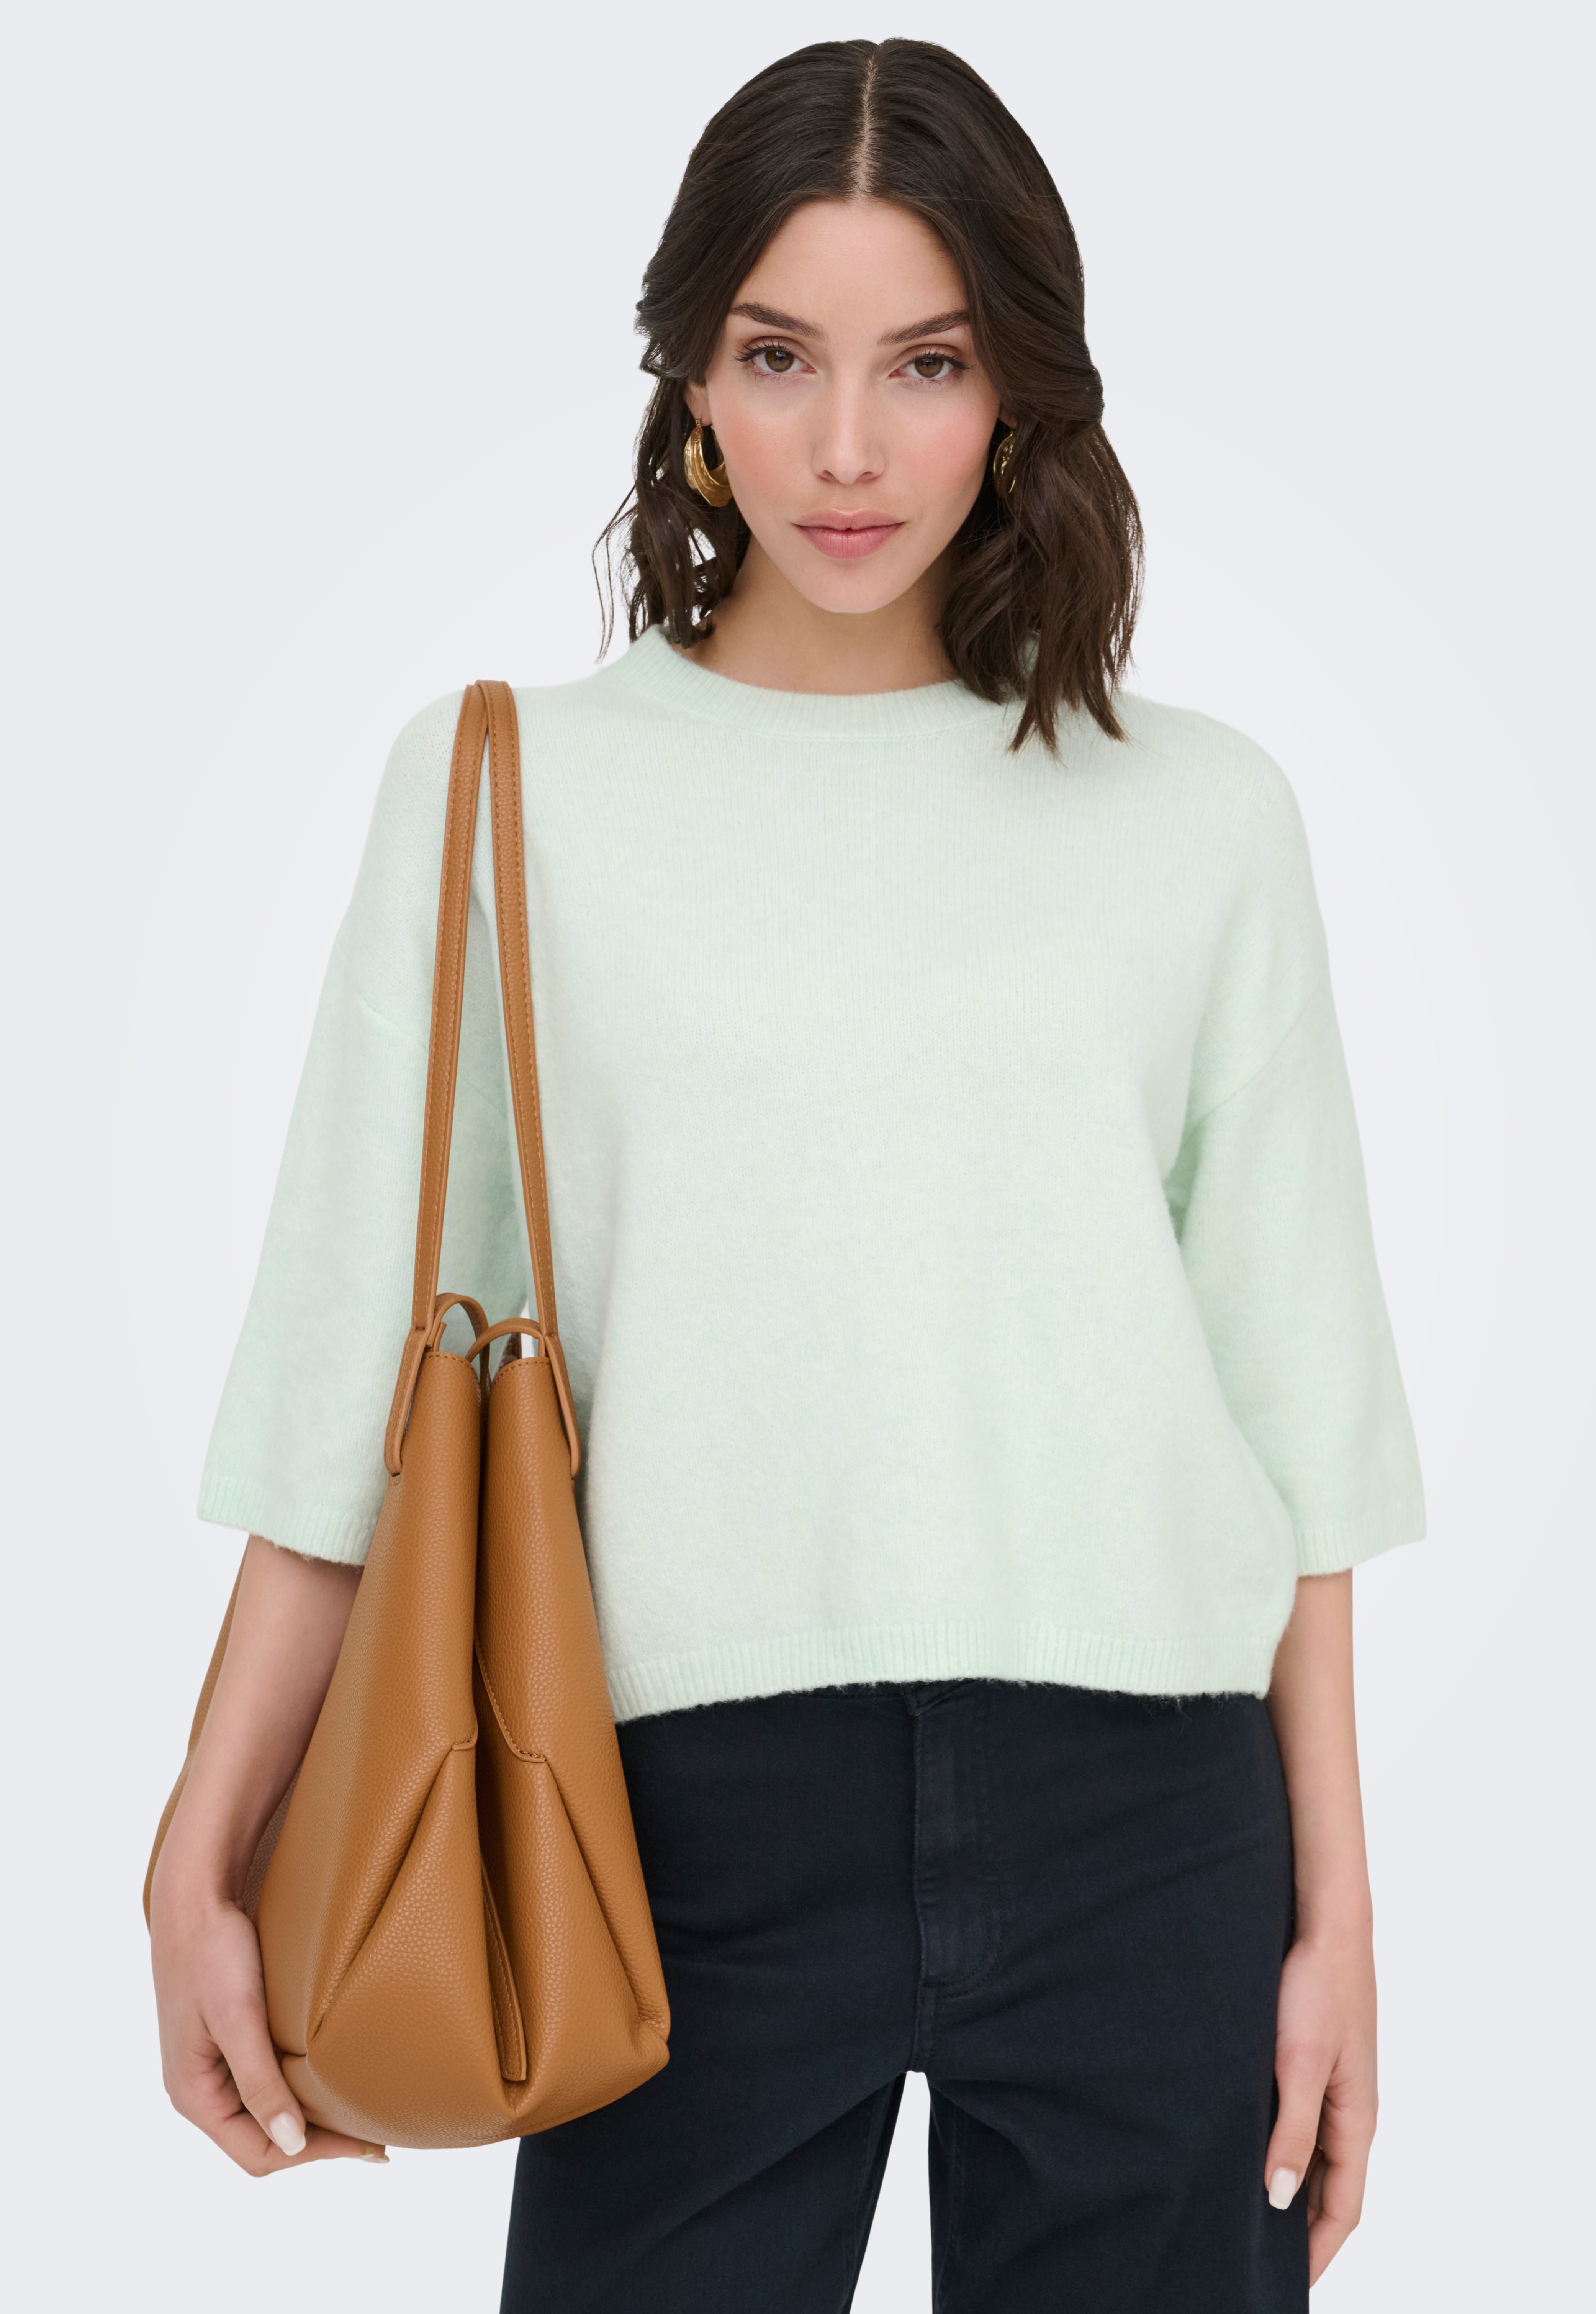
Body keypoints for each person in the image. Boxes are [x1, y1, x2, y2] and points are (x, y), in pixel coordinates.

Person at [148, 37, 1425, 2313]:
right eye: (777, 356)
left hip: (1153, 1822)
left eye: (925, 362)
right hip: (669, 1823)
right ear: (687, 382)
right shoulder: (506, 789)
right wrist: (197, 1843)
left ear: (1017, 392)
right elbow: (357, 1362)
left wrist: (1339, 1921)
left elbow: (1298, 1432)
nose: (846, 447)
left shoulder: (1199, 818)